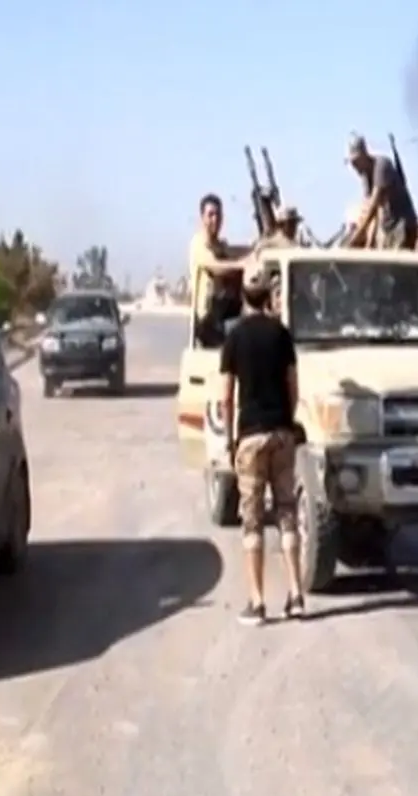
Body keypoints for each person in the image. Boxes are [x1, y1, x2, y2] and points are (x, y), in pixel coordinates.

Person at [219, 269, 304, 625]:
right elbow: (293, 386)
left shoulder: (234, 337)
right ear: (268, 295)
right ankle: (296, 595)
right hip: (282, 433)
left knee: (252, 521)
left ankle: (257, 602)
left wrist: (230, 439)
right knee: (287, 513)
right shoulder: (282, 334)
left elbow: (226, 396)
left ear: (243, 296)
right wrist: (287, 419)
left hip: (251, 437)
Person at [346, 135, 418, 250]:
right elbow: (372, 211)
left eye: (356, 162)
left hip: (402, 225)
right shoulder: (366, 176)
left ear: (364, 155)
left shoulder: (381, 165)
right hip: (388, 226)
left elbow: (373, 206)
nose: (354, 167)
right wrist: (369, 243)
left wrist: (357, 236)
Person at [189, 194, 242, 344]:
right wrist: (243, 264)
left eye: (218, 215)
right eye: (210, 215)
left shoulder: (219, 245)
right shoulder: (199, 244)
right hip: (206, 321)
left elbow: (235, 252)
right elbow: (216, 267)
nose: (215, 219)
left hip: (221, 313)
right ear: (202, 218)